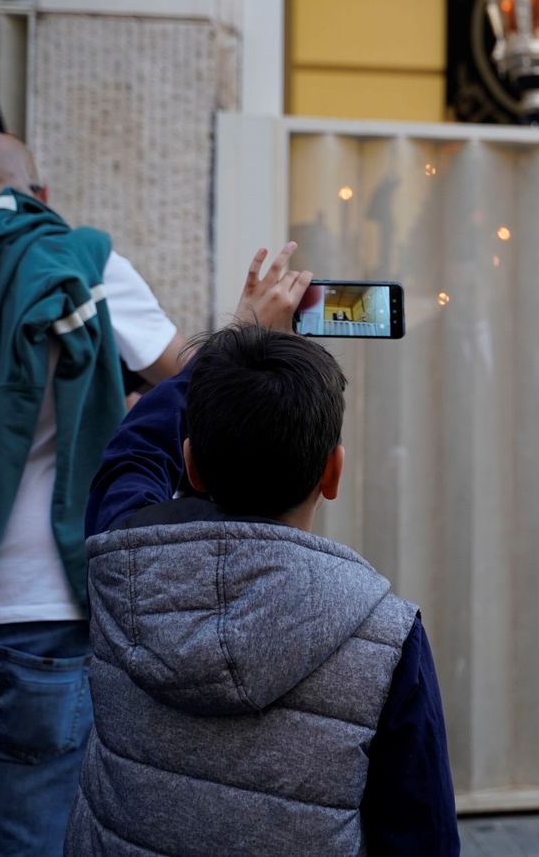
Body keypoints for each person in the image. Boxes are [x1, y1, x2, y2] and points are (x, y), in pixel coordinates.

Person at [65, 312, 460, 855]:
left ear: (191, 466)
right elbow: (421, 836)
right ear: (333, 472)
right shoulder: (390, 638)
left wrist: (225, 347)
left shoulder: (122, 567)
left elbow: (129, 459)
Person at [0, 131, 187, 855]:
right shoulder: (86, 268)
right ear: (41, 198)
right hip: (44, 618)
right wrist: (257, 324)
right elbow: (187, 383)